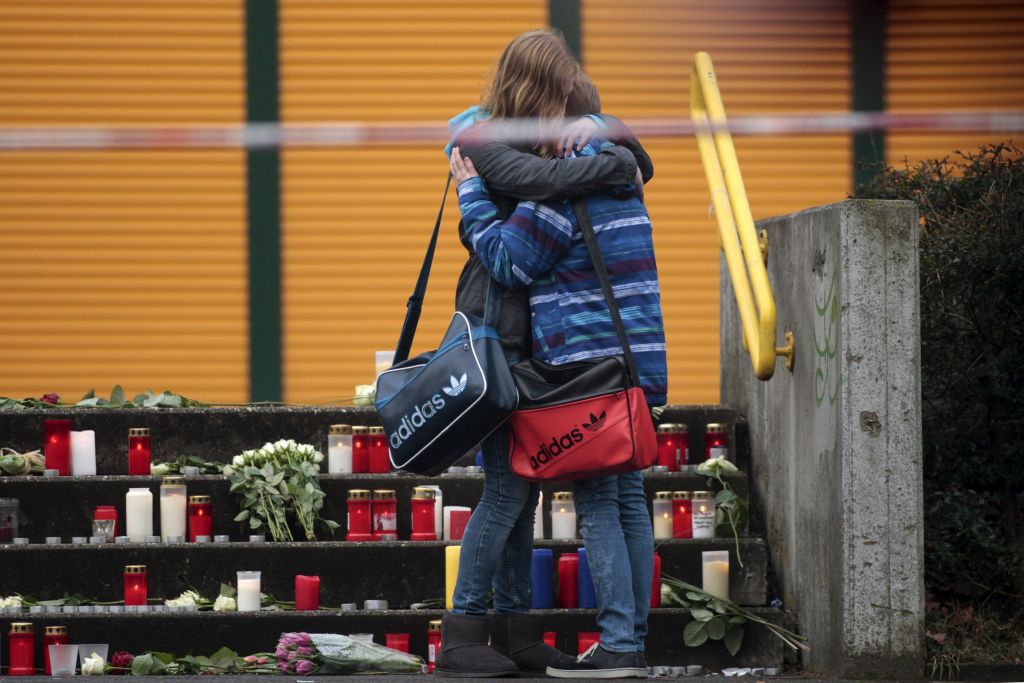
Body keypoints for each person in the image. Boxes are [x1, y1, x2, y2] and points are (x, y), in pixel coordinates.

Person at [436, 30, 656, 679]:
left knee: (520, 491)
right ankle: (466, 631)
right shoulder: (506, 153)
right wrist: (475, 196)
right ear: (541, 98)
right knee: (507, 493)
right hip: (503, 347)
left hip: (544, 355)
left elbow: (519, 239)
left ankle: (515, 631)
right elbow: (508, 256)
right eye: (557, 102)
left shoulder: (549, 166)